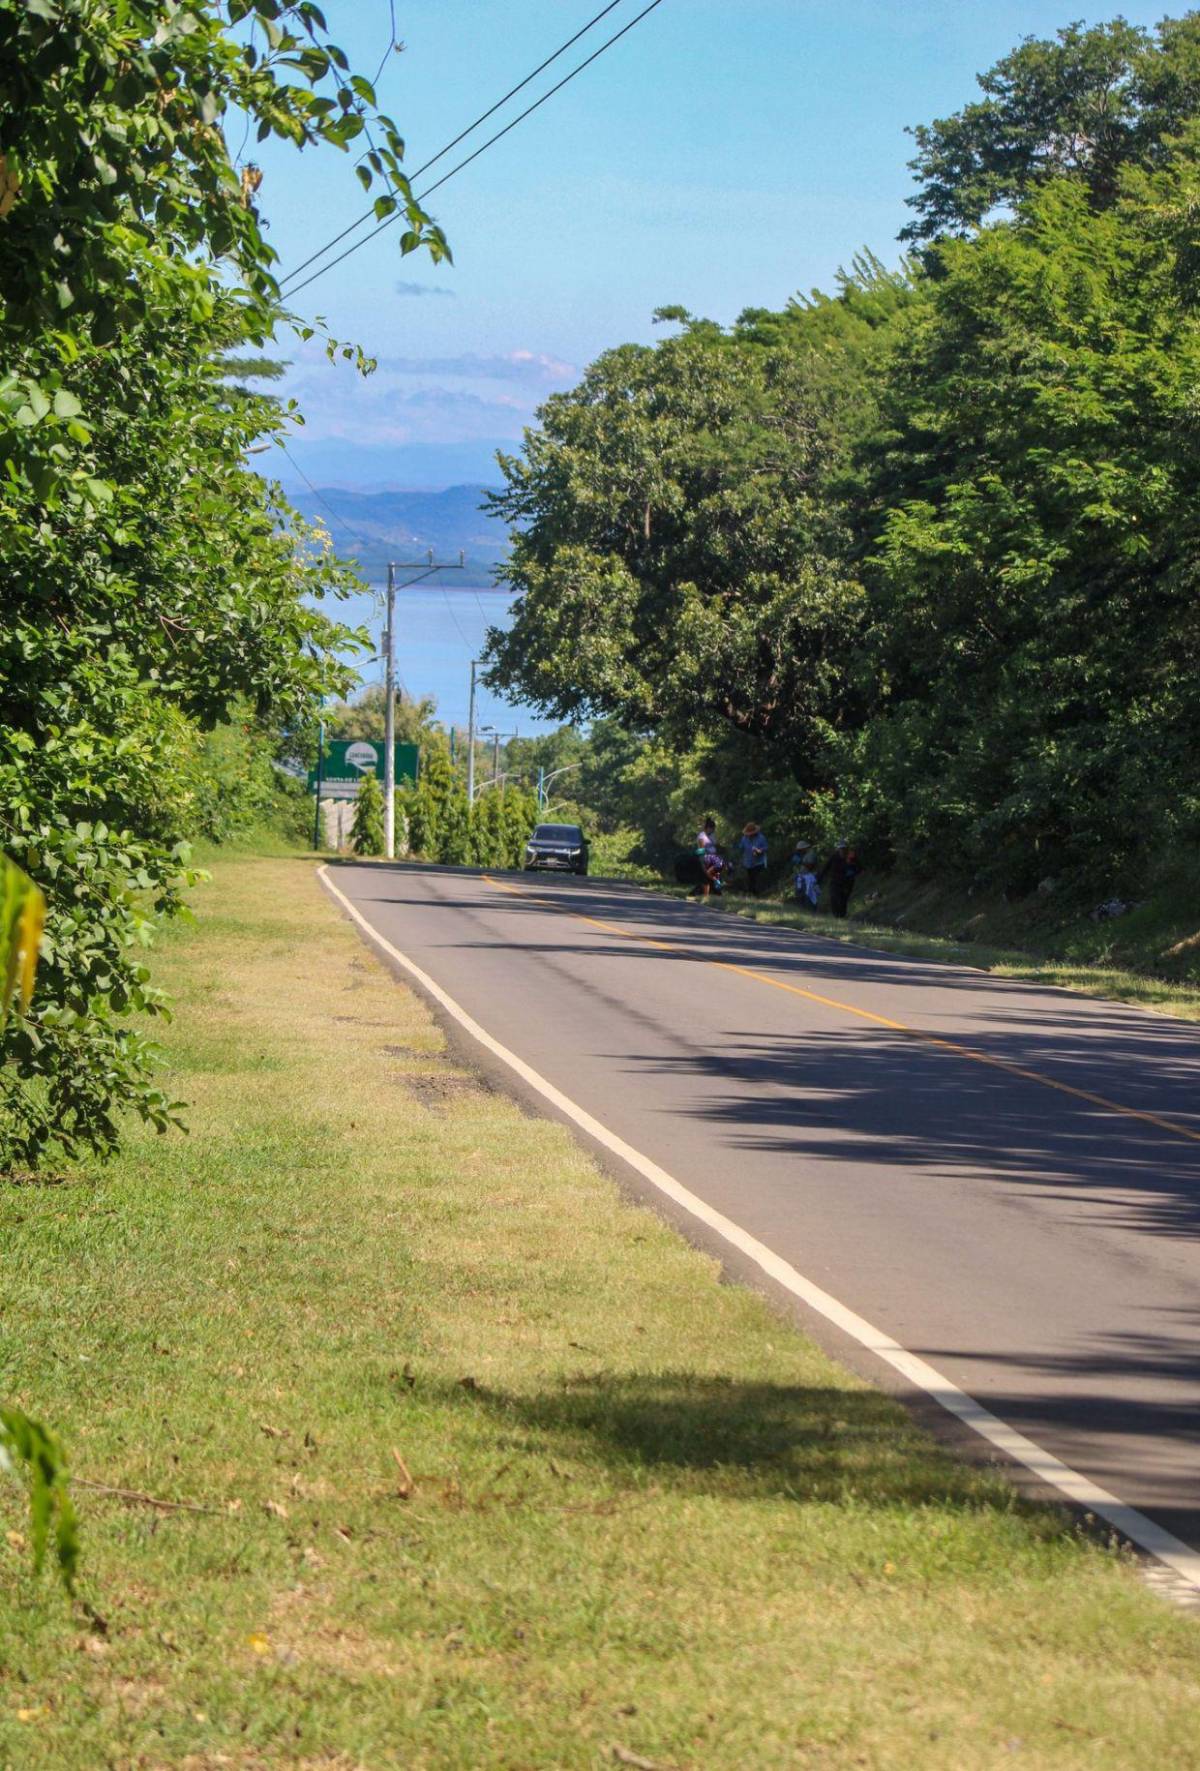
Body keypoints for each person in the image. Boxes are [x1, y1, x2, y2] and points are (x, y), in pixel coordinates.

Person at [820, 838, 859, 918]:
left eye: (844, 848)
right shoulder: (834, 856)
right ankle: (836, 915)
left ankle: (841, 916)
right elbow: (826, 867)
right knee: (833, 897)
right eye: (841, 848)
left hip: (847, 882)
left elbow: (859, 867)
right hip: (835, 881)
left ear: (847, 849)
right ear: (838, 849)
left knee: (843, 899)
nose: (842, 850)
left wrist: (852, 872)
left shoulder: (851, 856)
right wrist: (820, 878)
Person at [737, 822, 768, 895]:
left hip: (759, 862)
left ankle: (758, 894)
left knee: (756, 878)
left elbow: (766, 847)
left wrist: (759, 850)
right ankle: (752, 894)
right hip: (748, 862)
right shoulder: (744, 838)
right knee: (750, 878)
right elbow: (741, 847)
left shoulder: (761, 837)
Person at [791, 841, 820, 910]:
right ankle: (802, 909)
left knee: (810, 895)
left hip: (810, 878)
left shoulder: (811, 854)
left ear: (804, 848)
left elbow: (810, 866)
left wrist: (801, 861)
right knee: (800, 894)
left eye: (800, 850)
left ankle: (810, 910)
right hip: (803, 877)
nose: (800, 851)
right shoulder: (806, 854)